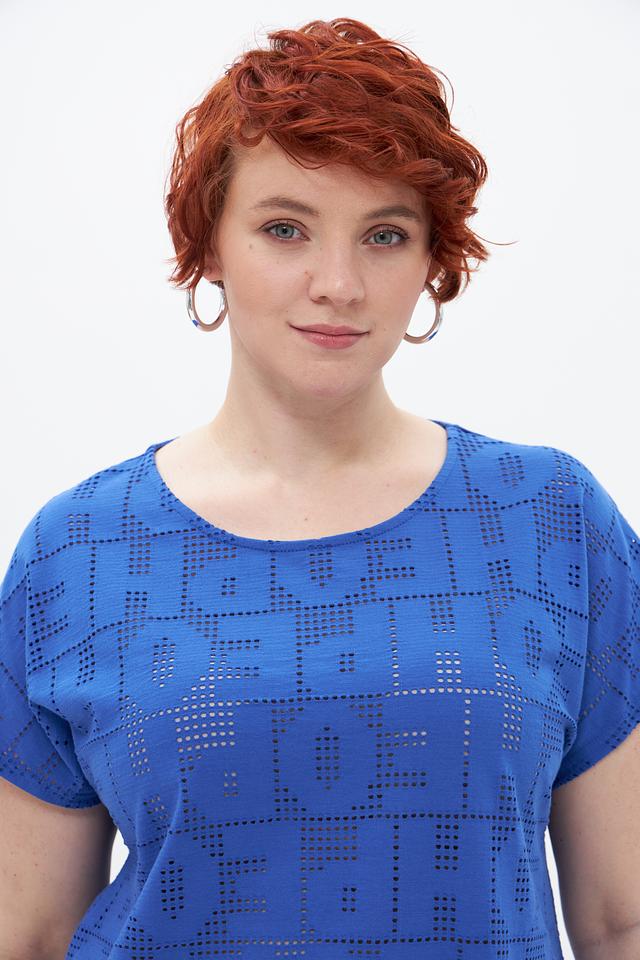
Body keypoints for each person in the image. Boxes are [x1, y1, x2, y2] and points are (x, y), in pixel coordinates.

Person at [1, 17, 639, 960]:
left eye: (385, 234)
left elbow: (623, 917)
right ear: (209, 245)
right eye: (284, 229)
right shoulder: (78, 553)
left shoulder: (551, 519)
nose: (337, 283)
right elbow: (31, 932)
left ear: (432, 261)